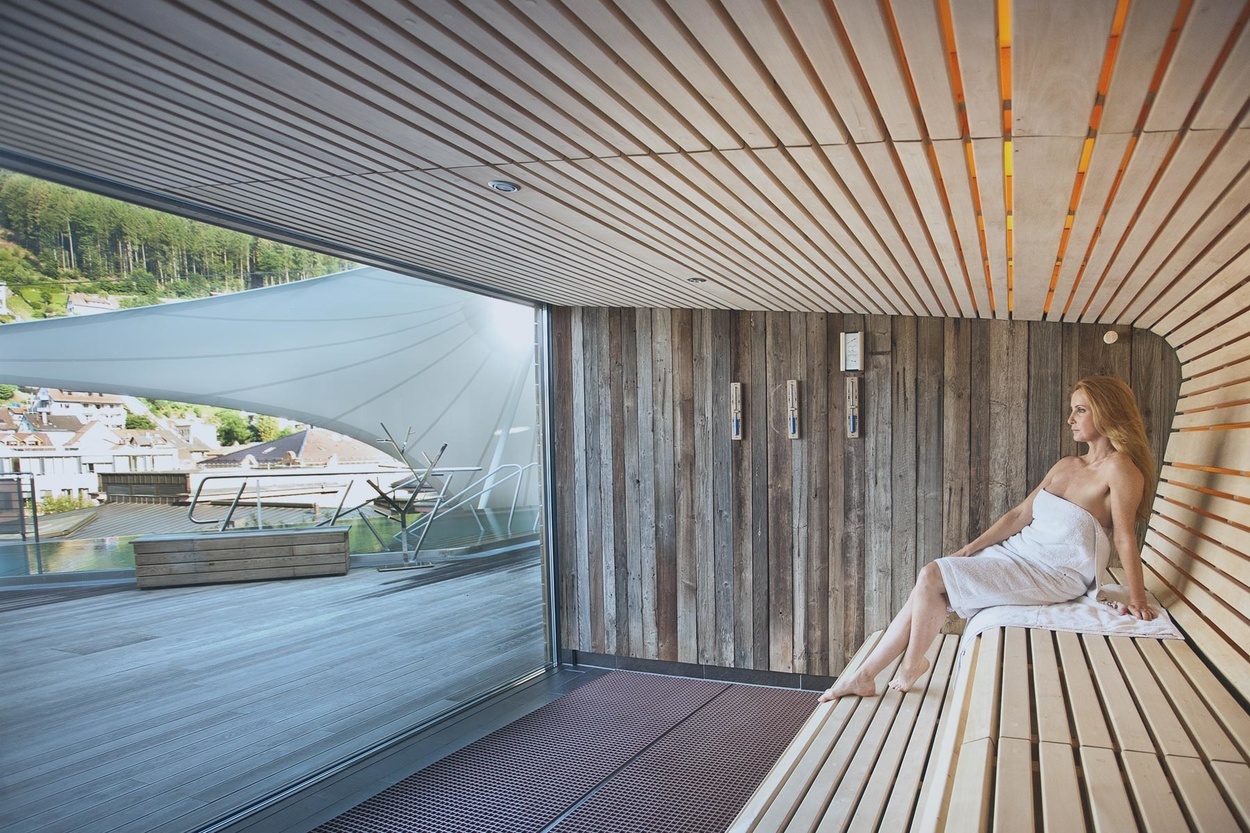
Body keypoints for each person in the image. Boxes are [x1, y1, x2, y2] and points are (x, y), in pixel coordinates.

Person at [819, 376, 1157, 702]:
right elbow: (1019, 515)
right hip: (1017, 554)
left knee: (931, 575)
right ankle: (865, 676)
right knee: (929, 583)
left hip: (1055, 574)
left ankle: (910, 665)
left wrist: (1138, 599)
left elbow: (1125, 537)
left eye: (1080, 410)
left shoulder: (1120, 469)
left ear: (1107, 411)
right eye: (1072, 410)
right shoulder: (1067, 465)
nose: (1070, 419)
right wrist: (969, 549)